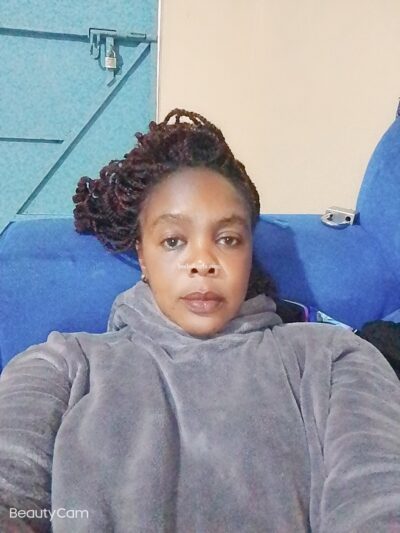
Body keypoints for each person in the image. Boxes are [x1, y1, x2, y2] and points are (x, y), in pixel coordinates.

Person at [0, 109, 399, 533]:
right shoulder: (61, 364)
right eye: (174, 240)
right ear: (142, 255)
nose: (203, 262)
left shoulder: (334, 358)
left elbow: (376, 496)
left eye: (227, 239)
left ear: (249, 251)